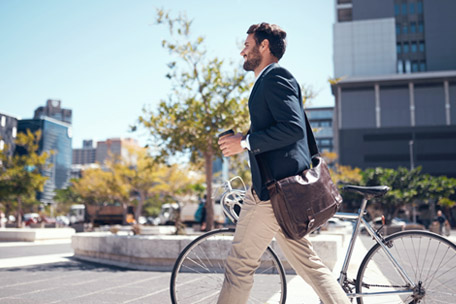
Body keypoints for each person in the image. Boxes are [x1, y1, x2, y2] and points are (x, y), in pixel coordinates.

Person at [217, 23, 350, 304]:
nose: (242, 51)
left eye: (247, 44)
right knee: (311, 267)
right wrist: (245, 140)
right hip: (282, 193)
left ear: (263, 46)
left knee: (239, 265)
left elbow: (292, 128)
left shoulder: (276, 77)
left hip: (271, 193)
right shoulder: (269, 81)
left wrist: (245, 141)